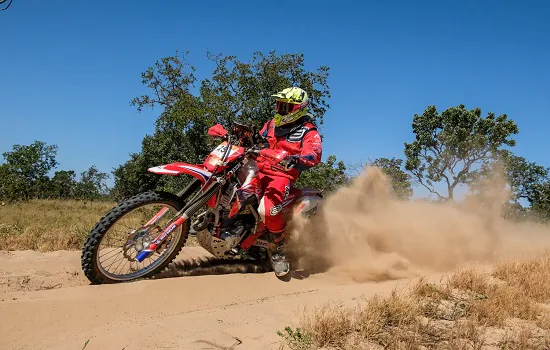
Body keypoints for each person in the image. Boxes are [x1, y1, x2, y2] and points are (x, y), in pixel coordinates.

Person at [256, 87, 323, 277]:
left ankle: (278, 251)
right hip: (257, 168)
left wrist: (299, 160)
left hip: (281, 176)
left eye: (286, 106)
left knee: (266, 210)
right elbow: (258, 140)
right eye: (279, 105)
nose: (281, 110)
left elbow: (314, 153)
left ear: (298, 109)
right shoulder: (270, 124)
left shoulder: (309, 132)